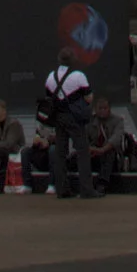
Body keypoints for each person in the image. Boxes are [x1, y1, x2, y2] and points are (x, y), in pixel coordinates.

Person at [40, 42, 99, 198]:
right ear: (73, 60)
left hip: (58, 117)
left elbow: (48, 98)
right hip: (75, 117)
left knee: (60, 153)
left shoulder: (50, 77)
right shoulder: (78, 76)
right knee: (82, 151)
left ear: (59, 60)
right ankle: (86, 189)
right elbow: (88, 97)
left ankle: (62, 189)